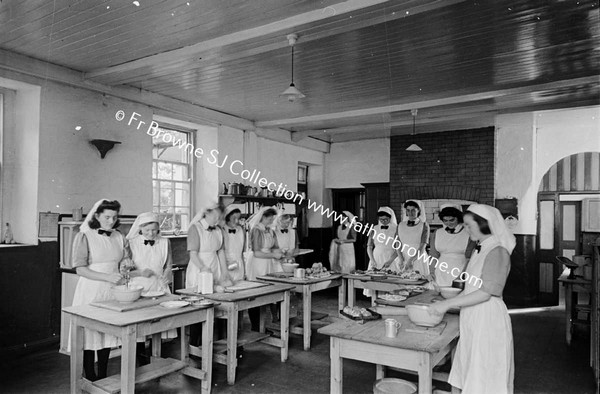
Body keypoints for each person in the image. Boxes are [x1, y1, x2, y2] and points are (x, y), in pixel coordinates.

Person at [428, 204, 515, 394]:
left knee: (484, 370)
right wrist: (445, 301)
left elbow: (486, 292)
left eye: (469, 225)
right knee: (467, 363)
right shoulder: (480, 249)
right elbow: (471, 288)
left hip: (488, 318)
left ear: (484, 224)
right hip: (473, 315)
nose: (465, 230)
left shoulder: (497, 250)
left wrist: (447, 303)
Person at [69, 199, 129, 381]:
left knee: (107, 333)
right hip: (92, 288)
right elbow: (80, 268)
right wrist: (106, 277)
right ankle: (90, 376)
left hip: (112, 289)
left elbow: (125, 259)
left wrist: (126, 263)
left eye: (114, 217)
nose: (111, 221)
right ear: (97, 216)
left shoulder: (119, 236)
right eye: (107, 217)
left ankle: (102, 374)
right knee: (89, 334)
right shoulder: (85, 236)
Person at [126, 212, 177, 365]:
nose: (151, 233)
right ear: (140, 229)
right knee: (140, 325)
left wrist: (168, 272)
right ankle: (140, 359)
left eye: (154, 230)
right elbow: (125, 270)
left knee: (158, 323)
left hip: (159, 286)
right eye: (147, 230)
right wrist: (140, 272)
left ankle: (156, 358)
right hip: (139, 287)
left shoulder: (164, 242)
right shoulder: (131, 243)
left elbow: (169, 265)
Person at [186, 203, 232, 346]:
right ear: (206, 213)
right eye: (216, 216)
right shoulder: (195, 228)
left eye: (220, 217)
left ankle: (217, 344)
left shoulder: (218, 230)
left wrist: (224, 272)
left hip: (215, 267)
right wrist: (203, 268)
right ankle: (194, 345)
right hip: (199, 269)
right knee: (199, 308)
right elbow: (193, 254)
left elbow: (221, 252)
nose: (218, 220)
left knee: (219, 307)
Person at [246, 207, 283, 330]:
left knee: (267, 294)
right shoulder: (256, 230)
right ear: (263, 217)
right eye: (270, 218)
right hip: (258, 263)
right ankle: (255, 327)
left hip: (268, 264)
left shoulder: (270, 231)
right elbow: (256, 252)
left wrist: (281, 253)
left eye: (273, 218)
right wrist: (274, 255)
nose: (272, 220)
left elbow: (275, 246)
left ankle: (263, 325)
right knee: (257, 294)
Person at [429, 205, 476, 287]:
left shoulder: (468, 233)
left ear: (458, 218)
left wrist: (462, 275)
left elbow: (470, 259)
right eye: (445, 220)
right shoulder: (437, 233)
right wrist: (432, 272)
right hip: (440, 272)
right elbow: (433, 255)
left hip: (460, 270)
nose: (448, 223)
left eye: (451, 220)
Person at [364, 207, 400, 297]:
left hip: (390, 258)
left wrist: (390, 261)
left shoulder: (396, 228)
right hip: (376, 258)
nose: (383, 221)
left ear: (390, 218)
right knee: (375, 285)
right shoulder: (374, 228)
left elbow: (398, 248)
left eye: (386, 219)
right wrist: (372, 259)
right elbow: (369, 246)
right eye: (381, 219)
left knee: (390, 285)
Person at [396, 200, 430, 274]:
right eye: (408, 210)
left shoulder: (424, 225)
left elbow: (422, 246)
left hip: (418, 258)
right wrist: (401, 259)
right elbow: (397, 244)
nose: (410, 213)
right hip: (403, 257)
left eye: (413, 210)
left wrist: (411, 260)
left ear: (418, 211)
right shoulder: (400, 225)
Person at [220, 205, 246, 283]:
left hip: (239, 264)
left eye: (238, 218)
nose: (237, 221)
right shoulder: (221, 230)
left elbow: (242, 251)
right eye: (234, 218)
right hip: (226, 264)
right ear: (227, 217)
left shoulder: (241, 230)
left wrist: (245, 270)